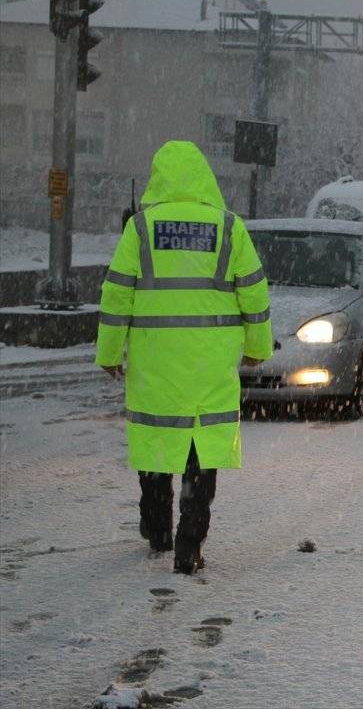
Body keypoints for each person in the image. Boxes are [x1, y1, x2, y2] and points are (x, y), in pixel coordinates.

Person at [96, 141, 273, 574]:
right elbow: (254, 292)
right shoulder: (230, 228)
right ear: (205, 179)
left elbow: (117, 294)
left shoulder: (140, 229)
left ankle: (157, 528)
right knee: (200, 451)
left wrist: (109, 353)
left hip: (156, 366)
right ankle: (189, 543)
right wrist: (256, 348)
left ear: (158, 178)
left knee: (158, 444)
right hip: (209, 366)